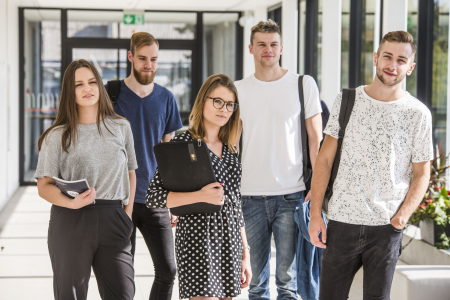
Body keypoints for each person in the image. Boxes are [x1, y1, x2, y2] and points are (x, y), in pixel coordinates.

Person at [309, 31, 432, 299]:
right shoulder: (347, 100)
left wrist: (401, 218)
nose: (392, 65)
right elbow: (325, 159)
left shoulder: (418, 113)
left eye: (401, 59)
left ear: (410, 67)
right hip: (342, 221)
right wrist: (316, 213)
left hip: (386, 227)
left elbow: (423, 173)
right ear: (376, 58)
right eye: (387, 56)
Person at [234, 20, 323, 300]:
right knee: (256, 285)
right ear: (251, 48)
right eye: (261, 44)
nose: (268, 50)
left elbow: (315, 141)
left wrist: (317, 189)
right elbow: (231, 144)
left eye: (273, 44)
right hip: (248, 196)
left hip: (291, 195)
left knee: (289, 283)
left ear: (281, 48)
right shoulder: (237, 89)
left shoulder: (302, 84)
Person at [35, 59, 137, 300]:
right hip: (72, 218)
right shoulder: (57, 135)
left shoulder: (121, 127)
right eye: (79, 84)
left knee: (123, 294)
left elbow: (131, 172)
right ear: (70, 92)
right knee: (70, 295)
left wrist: (128, 215)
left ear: (100, 86)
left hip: (114, 218)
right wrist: (71, 203)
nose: (87, 88)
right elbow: (43, 186)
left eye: (92, 82)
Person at [146, 74, 252, 299]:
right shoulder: (182, 144)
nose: (224, 109)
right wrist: (199, 196)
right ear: (203, 100)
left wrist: (245, 253)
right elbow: (154, 196)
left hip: (229, 241)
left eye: (230, 104)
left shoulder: (231, 150)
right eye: (218, 101)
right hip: (197, 240)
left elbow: (236, 206)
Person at [106, 32, 183, 300]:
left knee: (168, 270)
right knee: (121, 275)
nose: (148, 64)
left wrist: (173, 199)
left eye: (153, 59)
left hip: (155, 200)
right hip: (118, 199)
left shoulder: (166, 98)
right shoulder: (111, 95)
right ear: (131, 57)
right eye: (142, 58)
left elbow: (168, 153)